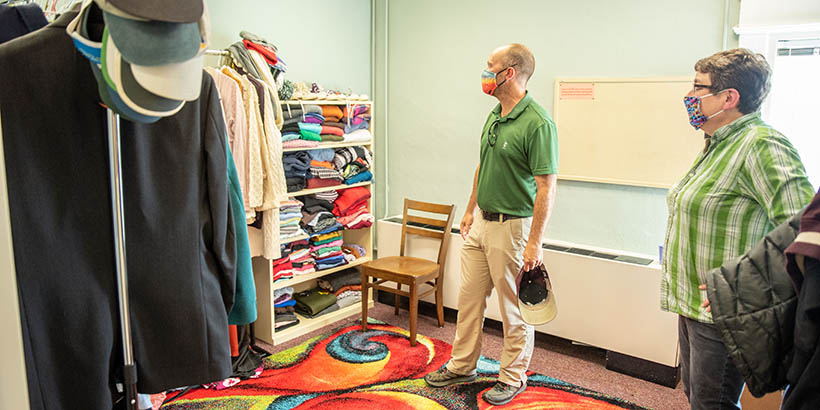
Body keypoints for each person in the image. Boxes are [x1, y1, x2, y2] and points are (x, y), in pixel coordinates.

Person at [661, 48, 814, 410]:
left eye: (698, 88)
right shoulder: (718, 143)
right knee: (699, 397)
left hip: (725, 310)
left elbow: (802, 228)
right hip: (694, 303)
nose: (689, 96)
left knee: (712, 404)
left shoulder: (762, 144)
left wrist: (745, 287)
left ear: (729, 98)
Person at [423, 43, 558, 406]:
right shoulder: (496, 114)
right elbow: (482, 165)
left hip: (512, 229)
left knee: (514, 309)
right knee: (468, 302)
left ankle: (513, 377)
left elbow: (547, 186)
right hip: (481, 222)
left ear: (508, 73)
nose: (485, 71)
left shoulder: (539, 123)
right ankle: (462, 364)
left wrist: (535, 242)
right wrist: (470, 209)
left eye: (490, 66)